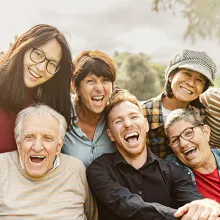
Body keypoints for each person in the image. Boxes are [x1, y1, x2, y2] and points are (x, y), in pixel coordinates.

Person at [87, 90, 220, 220]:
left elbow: (195, 203)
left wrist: (205, 208)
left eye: (133, 117)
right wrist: (182, 216)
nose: (128, 124)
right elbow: (125, 203)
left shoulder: (174, 172)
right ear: (110, 135)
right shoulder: (99, 169)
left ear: (146, 125)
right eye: (118, 121)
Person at [0, 104, 98, 219]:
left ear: (59, 146)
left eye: (47, 138)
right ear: (18, 143)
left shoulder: (76, 169)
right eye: (29, 137)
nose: (37, 147)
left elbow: (92, 216)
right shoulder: (2, 167)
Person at [0, 24, 73, 153]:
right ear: (22, 48)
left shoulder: (48, 104)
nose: (41, 68)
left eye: (52, 64)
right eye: (38, 54)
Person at [142, 49, 217, 159]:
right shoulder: (142, 113)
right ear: (171, 75)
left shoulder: (201, 114)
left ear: (203, 90)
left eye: (199, 80)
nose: (191, 83)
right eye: (187, 73)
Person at [62, 50, 116, 168]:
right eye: (90, 81)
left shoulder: (117, 114)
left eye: (105, 80)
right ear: (75, 87)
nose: (99, 88)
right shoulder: (61, 112)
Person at [164, 108, 220, 203]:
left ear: (206, 132)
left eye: (188, 133)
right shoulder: (169, 171)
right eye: (175, 140)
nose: (183, 144)